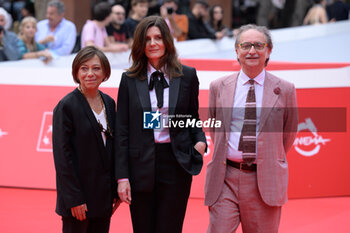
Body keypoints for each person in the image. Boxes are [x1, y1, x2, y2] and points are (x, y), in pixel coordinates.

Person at [115, 16, 207, 233]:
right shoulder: (129, 79)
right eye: (147, 39)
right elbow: (122, 131)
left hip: (176, 162)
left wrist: (200, 141)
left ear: (167, 40)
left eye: (158, 37)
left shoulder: (187, 75)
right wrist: (122, 177)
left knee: (170, 228)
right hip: (140, 165)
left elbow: (192, 117)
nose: (153, 43)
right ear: (140, 44)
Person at [204, 24, 298, 233]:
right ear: (237, 51)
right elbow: (215, 126)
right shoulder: (219, 86)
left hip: (263, 179)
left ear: (269, 50)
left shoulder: (285, 89)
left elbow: (288, 134)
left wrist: (267, 157)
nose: (252, 51)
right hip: (224, 178)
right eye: (245, 45)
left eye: (258, 45)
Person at [52, 46, 120, 233]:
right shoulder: (66, 106)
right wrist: (74, 199)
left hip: (103, 198)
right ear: (76, 72)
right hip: (78, 201)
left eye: (96, 68)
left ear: (105, 72)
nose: (90, 73)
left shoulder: (109, 102)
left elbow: (113, 150)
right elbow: (62, 158)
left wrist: (114, 191)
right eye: (84, 68)